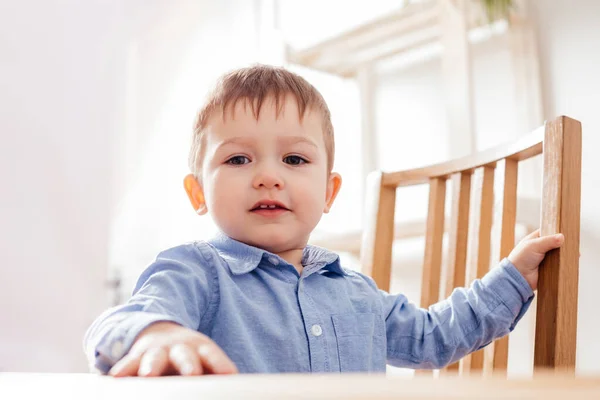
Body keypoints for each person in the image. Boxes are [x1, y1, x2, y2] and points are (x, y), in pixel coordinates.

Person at [84, 64, 564, 377]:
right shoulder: (196, 272)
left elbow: (434, 337)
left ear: (329, 192)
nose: (268, 177)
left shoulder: (357, 294)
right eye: (237, 160)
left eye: (294, 160)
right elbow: (118, 324)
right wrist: (159, 333)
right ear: (197, 193)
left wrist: (512, 279)